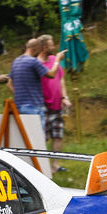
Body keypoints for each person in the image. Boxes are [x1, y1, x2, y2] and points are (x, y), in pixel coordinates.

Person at [9, 38, 65, 133]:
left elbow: (9, 83)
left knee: (25, 138)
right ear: (35, 49)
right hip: (34, 107)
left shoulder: (16, 61)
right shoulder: (33, 62)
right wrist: (57, 60)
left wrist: (19, 94)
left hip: (18, 107)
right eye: (39, 50)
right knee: (37, 138)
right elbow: (51, 74)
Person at [38, 34, 72, 172]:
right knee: (42, 138)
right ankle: (43, 167)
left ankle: (55, 165)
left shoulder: (53, 59)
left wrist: (64, 97)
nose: (54, 47)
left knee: (58, 136)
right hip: (43, 107)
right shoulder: (37, 63)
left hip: (58, 106)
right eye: (51, 45)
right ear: (44, 47)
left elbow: (61, 79)